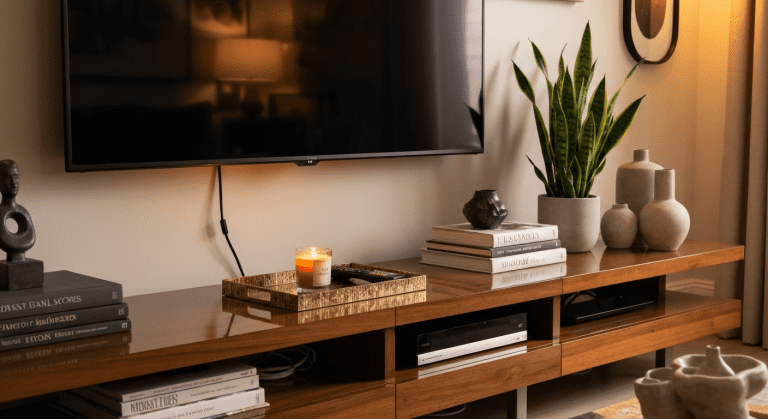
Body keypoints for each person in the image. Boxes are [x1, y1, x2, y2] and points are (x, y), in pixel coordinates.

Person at [0, 160, 35, 262]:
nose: (13, 182)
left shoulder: (24, 212)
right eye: (8, 178)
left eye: (16, 177)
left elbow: (29, 238)